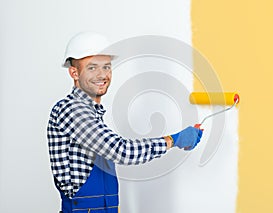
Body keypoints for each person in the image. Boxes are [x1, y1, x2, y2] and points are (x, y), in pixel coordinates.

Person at [47, 31, 203, 213]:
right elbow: (121, 151)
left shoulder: (92, 115)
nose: (102, 74)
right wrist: (173, 139)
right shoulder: (72, 110)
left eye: (106, 67)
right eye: (92, 68)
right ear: (74, 72)